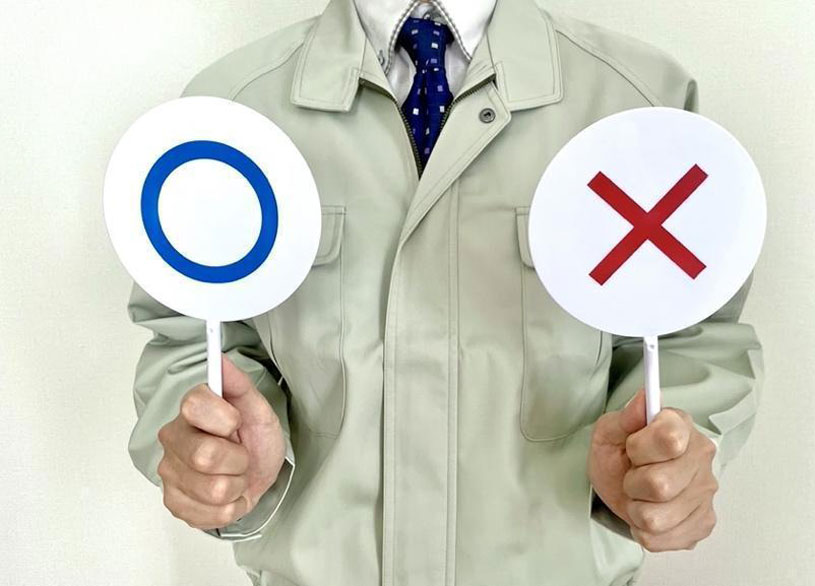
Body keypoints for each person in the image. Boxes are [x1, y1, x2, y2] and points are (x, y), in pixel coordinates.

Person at [126, 0, 764, 583]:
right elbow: (191, 336)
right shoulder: (231, 111)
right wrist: (224, 452)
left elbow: (691, 336)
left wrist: (660, 458)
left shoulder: (640, 103)